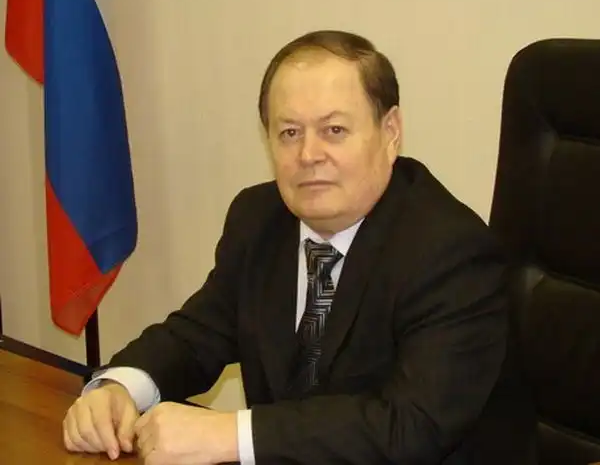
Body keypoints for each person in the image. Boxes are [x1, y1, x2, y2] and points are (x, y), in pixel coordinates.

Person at [62, 30, 536, 465]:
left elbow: (410, 427)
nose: (308, 155)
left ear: (390, 132)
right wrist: (120, 387)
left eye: (334, 130)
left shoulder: (450, 252)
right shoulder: (259, 219)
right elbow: (196, 336)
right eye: (289, 132)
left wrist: (231, 434)